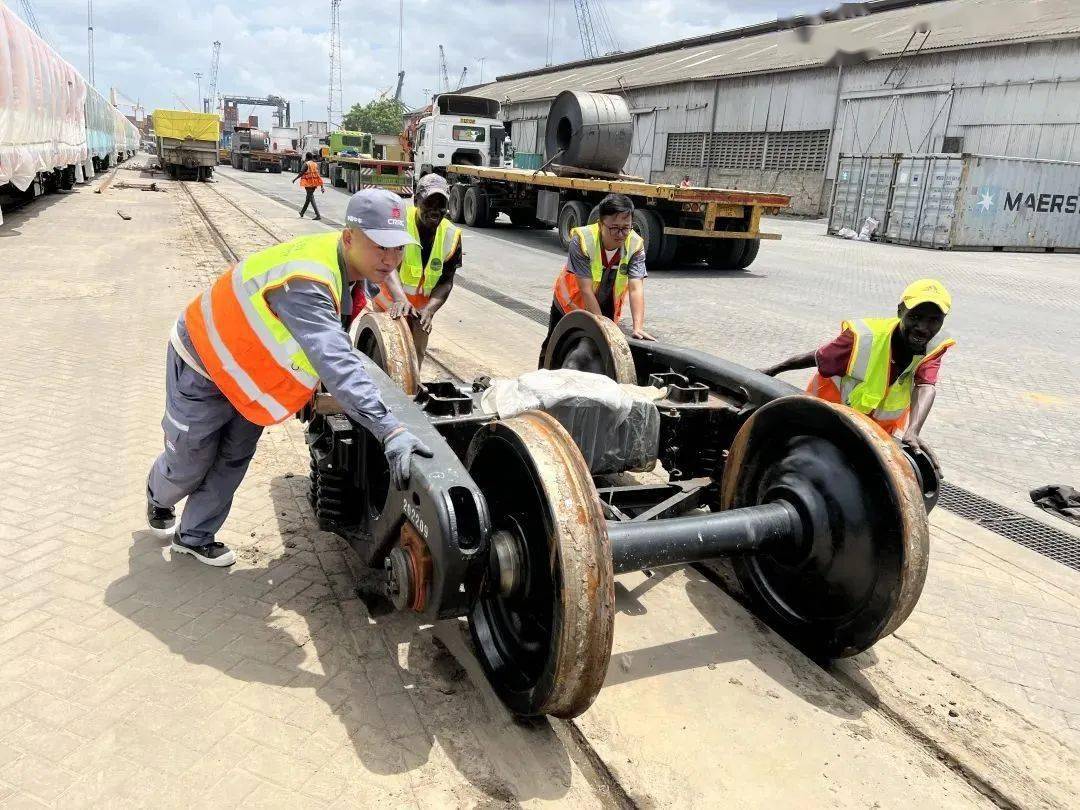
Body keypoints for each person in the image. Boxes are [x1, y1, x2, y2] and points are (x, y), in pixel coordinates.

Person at [146, 189, 433, 567]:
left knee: (233, 458)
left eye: (398, 248)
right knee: (189, 462)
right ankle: (158, 496)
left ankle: (195, 536)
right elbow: (334, 358)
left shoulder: (350, 273)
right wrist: (390, 429)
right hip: (205, 361)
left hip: (250, 378)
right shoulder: (309, 279)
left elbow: (320, 347)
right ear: (349, 237)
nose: (391, 258)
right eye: (380, 245)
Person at [759, 278, 955, 463]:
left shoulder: (934, 347)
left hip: (874, 434)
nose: (923, 328)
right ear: (900, 311)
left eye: (933, 320)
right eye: (915, 317)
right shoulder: (863, 338)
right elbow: (819, 356)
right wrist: (775, 369)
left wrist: (913, 431)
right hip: (828, 421)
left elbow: (926, 386)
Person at [539, 193, 654, 365]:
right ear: (601, 224)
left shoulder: (635, 245)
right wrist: (602, 328)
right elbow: (585, 289)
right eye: (615, 228)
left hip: (606, 303)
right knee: (555, 347)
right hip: (570, 302)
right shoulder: (582, 240)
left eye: (626, 227)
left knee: (598, 350)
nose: (621, 234)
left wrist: (638, 327)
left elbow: (636, 288)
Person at [371, 174, 462, 364]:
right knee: (387, 353)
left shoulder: (451, 235)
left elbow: (446, 281)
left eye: (441, 204)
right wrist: (400, 300)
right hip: (390, 301)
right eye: (429, 203)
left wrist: (429, 309)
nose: (435, 210)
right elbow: (388, 266)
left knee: (415, 357)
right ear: (416, 201)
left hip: (421, 310)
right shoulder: (399, 223)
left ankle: (409, 393)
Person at [292, 152, 324, 220]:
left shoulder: (306, 164)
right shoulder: (315, 164)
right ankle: (302, 212)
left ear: (306, 157)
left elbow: (301, 173)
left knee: (311, 198)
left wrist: (295, 179)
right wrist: (322, 186)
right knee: (308, 198)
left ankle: (318, 215)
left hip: (308, 183)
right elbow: (318, 175)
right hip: (314, 183)